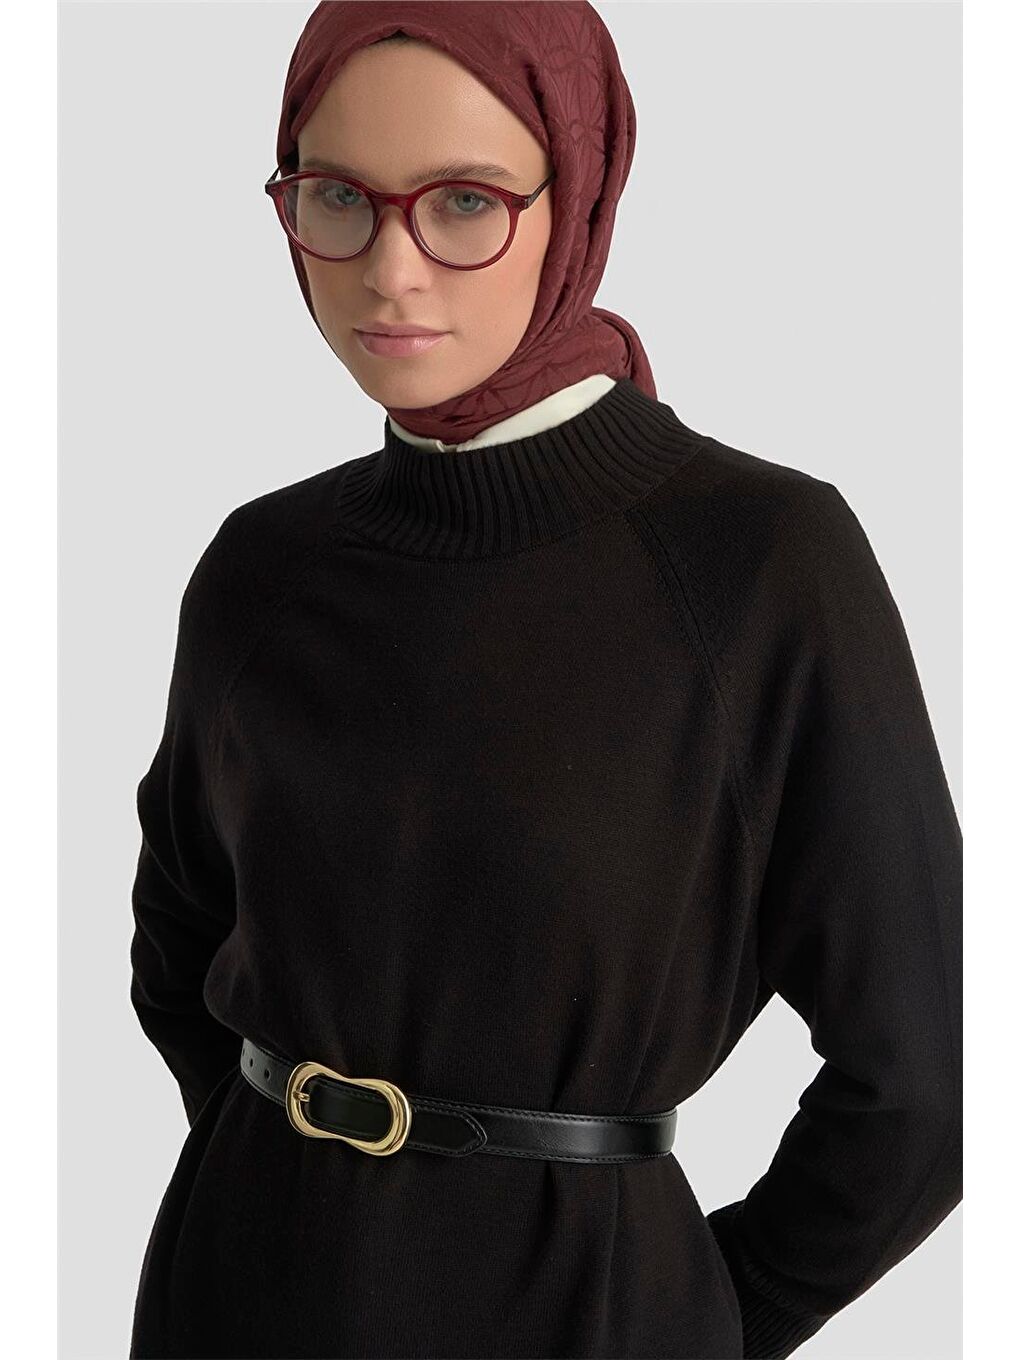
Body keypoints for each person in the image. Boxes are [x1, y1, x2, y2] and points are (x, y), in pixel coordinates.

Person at [127, 5, 962, 1359]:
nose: (390, 268)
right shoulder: (259, 565)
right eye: (337, 197)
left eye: (464, 202)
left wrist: (699, 1317)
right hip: (228, 1305)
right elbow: (179, 949)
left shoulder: (758, 562)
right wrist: (271, 1186)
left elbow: (930, 1082)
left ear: (576, 196)